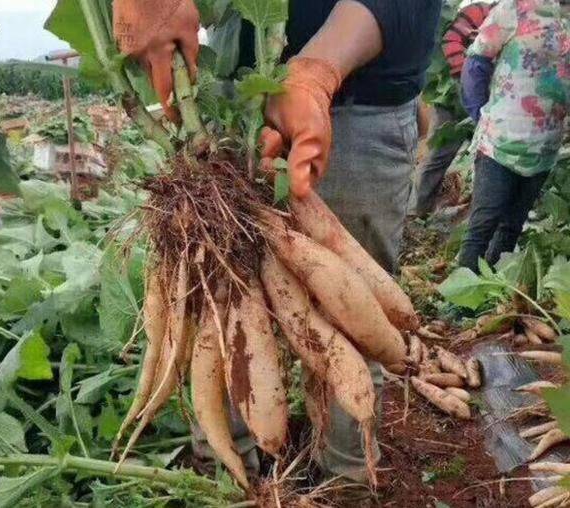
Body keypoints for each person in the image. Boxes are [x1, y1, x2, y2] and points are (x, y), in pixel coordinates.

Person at [113, 0, 442, 484]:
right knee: (217, 317)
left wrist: (313, 73)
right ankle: (230, 472)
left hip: (358, 101)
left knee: (346, 320)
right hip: (237, 102)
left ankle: (347, 477)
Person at [458, 0, 570, 272]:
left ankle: (492, 293)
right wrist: (481, 114)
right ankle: (459, 305)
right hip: (501, 141)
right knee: (484, 223)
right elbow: (476, 62)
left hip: (545, 146)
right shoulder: (514, 9)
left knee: (512, 225)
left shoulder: (565, 19)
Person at [414, 1, 495, 218]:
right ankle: (419, 210)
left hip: (489, 102)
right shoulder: (478, 11)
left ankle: (474, 213)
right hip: (455, 97)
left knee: (486, 159)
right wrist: (467, 80)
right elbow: (451, 40)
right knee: (439, 155)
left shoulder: (521, 21)